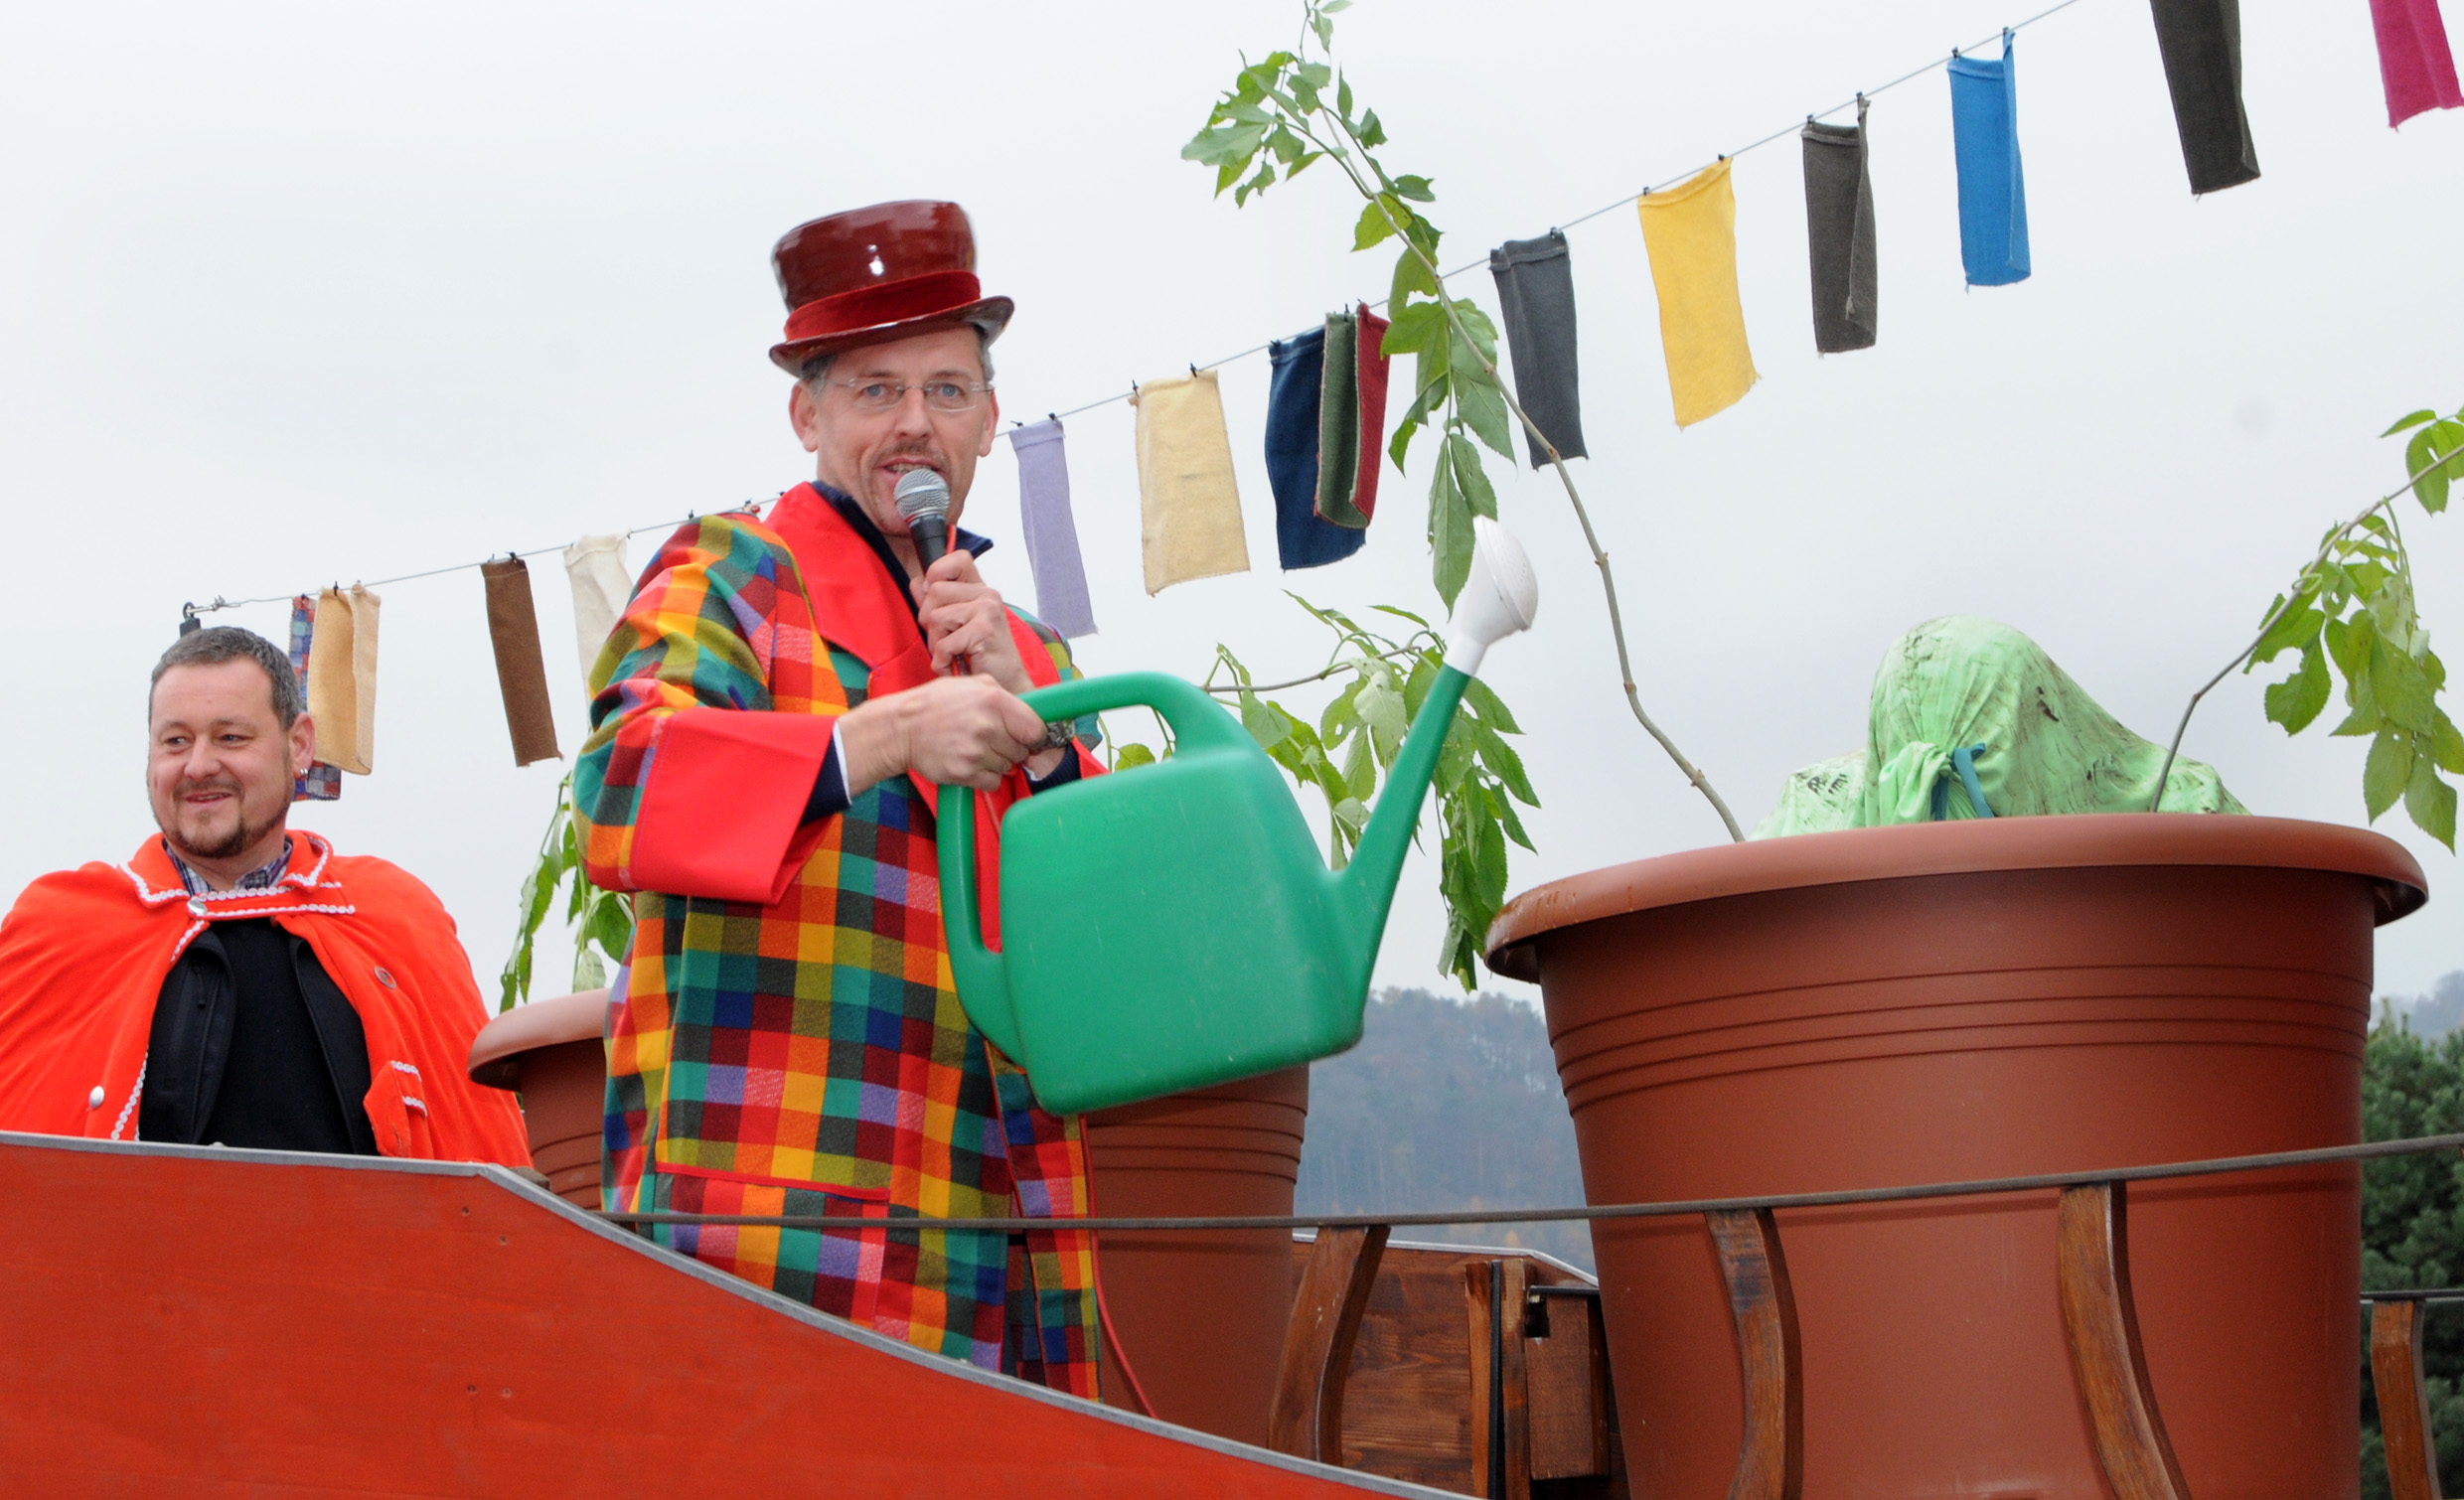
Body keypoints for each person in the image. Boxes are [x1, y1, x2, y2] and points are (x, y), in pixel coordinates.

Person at [576, 200, 1106, 1394]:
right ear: (806, 416)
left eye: (947, 389)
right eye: (875, 390)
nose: (916, 422)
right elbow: (619, 790)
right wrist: (887, 734)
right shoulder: (732, 573)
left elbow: (1097, 948)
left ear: (988, 421)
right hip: (780, 1229)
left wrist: (1045, 744)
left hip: (1005, 1236)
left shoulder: (1030, 650)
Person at [0, 627, 531, 1165]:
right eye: (175, 741)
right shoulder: (57, 929)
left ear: (298, 744)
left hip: (358, 1224)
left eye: (230, 737)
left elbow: (483, 1150)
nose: (199, 765)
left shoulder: (398, 915)